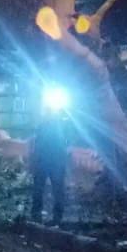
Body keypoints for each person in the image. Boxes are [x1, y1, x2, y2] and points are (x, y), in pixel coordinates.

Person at [30, 94, 70, 224]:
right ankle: (51, 217)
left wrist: (34, 161)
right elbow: (38, 145)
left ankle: (46, 216)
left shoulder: (58, 126)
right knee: (49, 189)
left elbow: (38, 145)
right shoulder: (57, 126)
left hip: (50, 161)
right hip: (51, 162)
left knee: (49, 189)